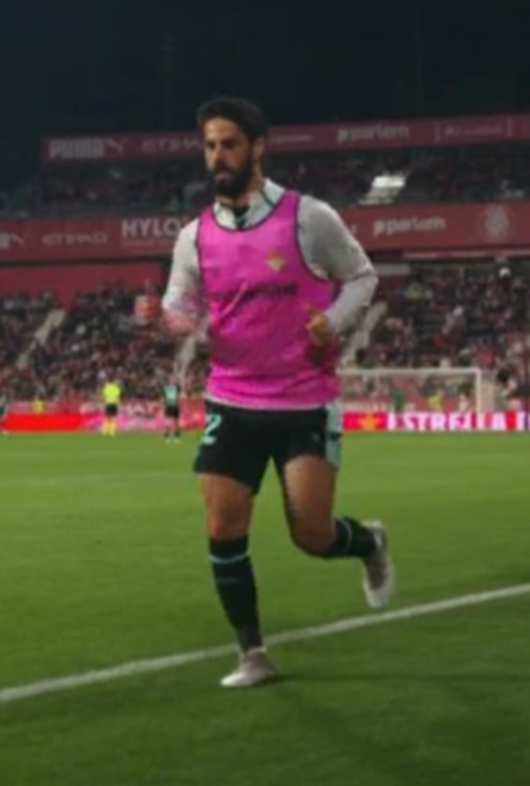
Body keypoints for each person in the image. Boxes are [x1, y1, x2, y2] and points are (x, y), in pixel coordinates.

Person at [138, 96, 395, 689]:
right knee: (224, 525)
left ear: (258, 147)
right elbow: (182, 311)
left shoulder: (309, 218)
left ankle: (368, 542)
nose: (218, 156)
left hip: (304, 397)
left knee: (311, 533)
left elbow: (363, 276)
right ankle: (252, 653)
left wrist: (334, 321)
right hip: (232, 398)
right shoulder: (193, 236)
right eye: (209, 146)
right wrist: (163, 320)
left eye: (229, 143)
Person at [161, 378, 183, 442]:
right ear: (168, 382)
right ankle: (167, 437)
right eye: (171, 381)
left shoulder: (176, 388)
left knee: (176, 422)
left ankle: (176, 437)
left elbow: (179, 388)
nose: (172, 382)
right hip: (168, 406)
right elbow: (162, 397)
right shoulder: (166, 389)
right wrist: (163, 405)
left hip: (175, 406)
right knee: (167, 422)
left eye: (173, 381)